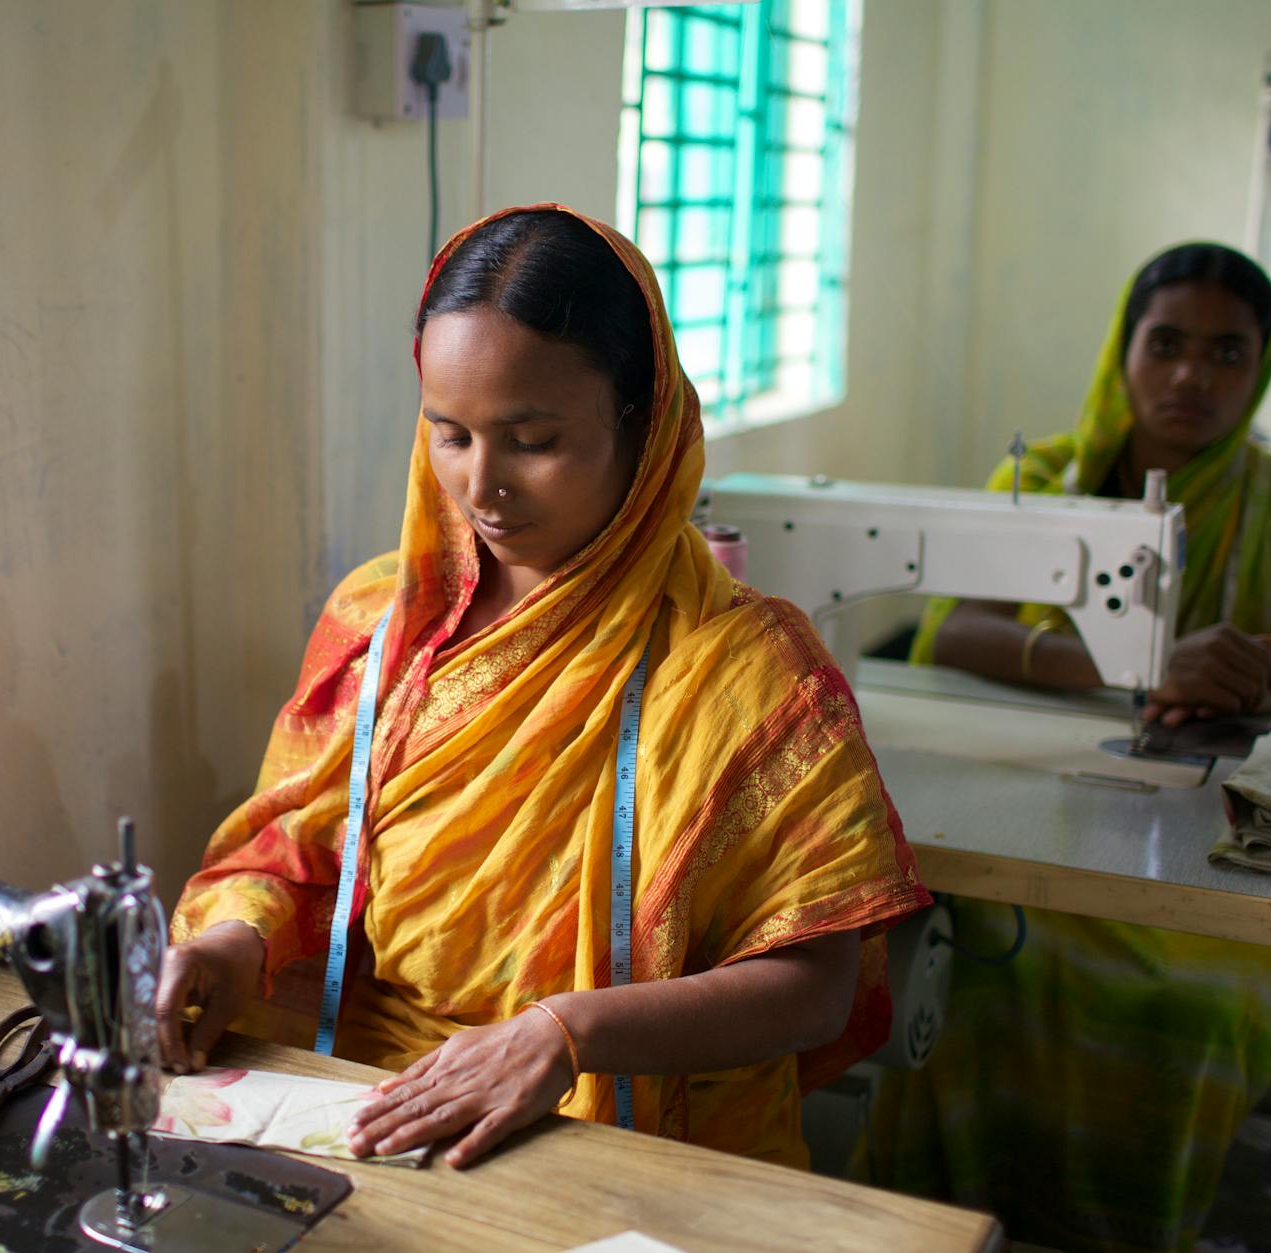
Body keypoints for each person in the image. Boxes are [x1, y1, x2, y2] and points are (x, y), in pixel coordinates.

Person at [156, 204, 931, 1170]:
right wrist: (234, 942)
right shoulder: (377, 626)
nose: (484, 487)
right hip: (373, 1110)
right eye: (451, 435)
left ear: (641, 424)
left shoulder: (751, 670)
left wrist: (567, 1035)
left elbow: (815, 985)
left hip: (617, 1138)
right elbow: (297, 854)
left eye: (532, 438)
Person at [860, 242, 1271, 1251]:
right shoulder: (1041, 477)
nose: (1191, 374)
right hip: (1047, 816)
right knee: (968, 965)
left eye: (1226, 352)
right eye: (1166, 343)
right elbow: (950, 632)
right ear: (1124, 347)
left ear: (1260, 367)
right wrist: (1124, 668)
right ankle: (952, 1230)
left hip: (1236, 844)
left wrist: (1260, 681)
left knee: (1186, 1003)